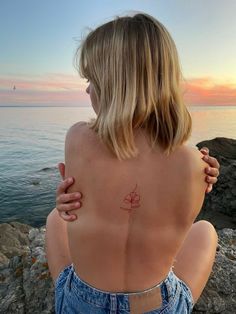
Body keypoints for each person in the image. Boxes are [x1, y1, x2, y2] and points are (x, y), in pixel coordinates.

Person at [45, 13, 220, 313]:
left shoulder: (78, 139)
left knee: (52, 219)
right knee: (206, 231)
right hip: (157, 304)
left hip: (82, 303)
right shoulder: (194, 163)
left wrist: (66, 203)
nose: (87, 90)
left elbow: (86, 204)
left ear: (114, 85)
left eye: (91, 80)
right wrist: (197, 178)